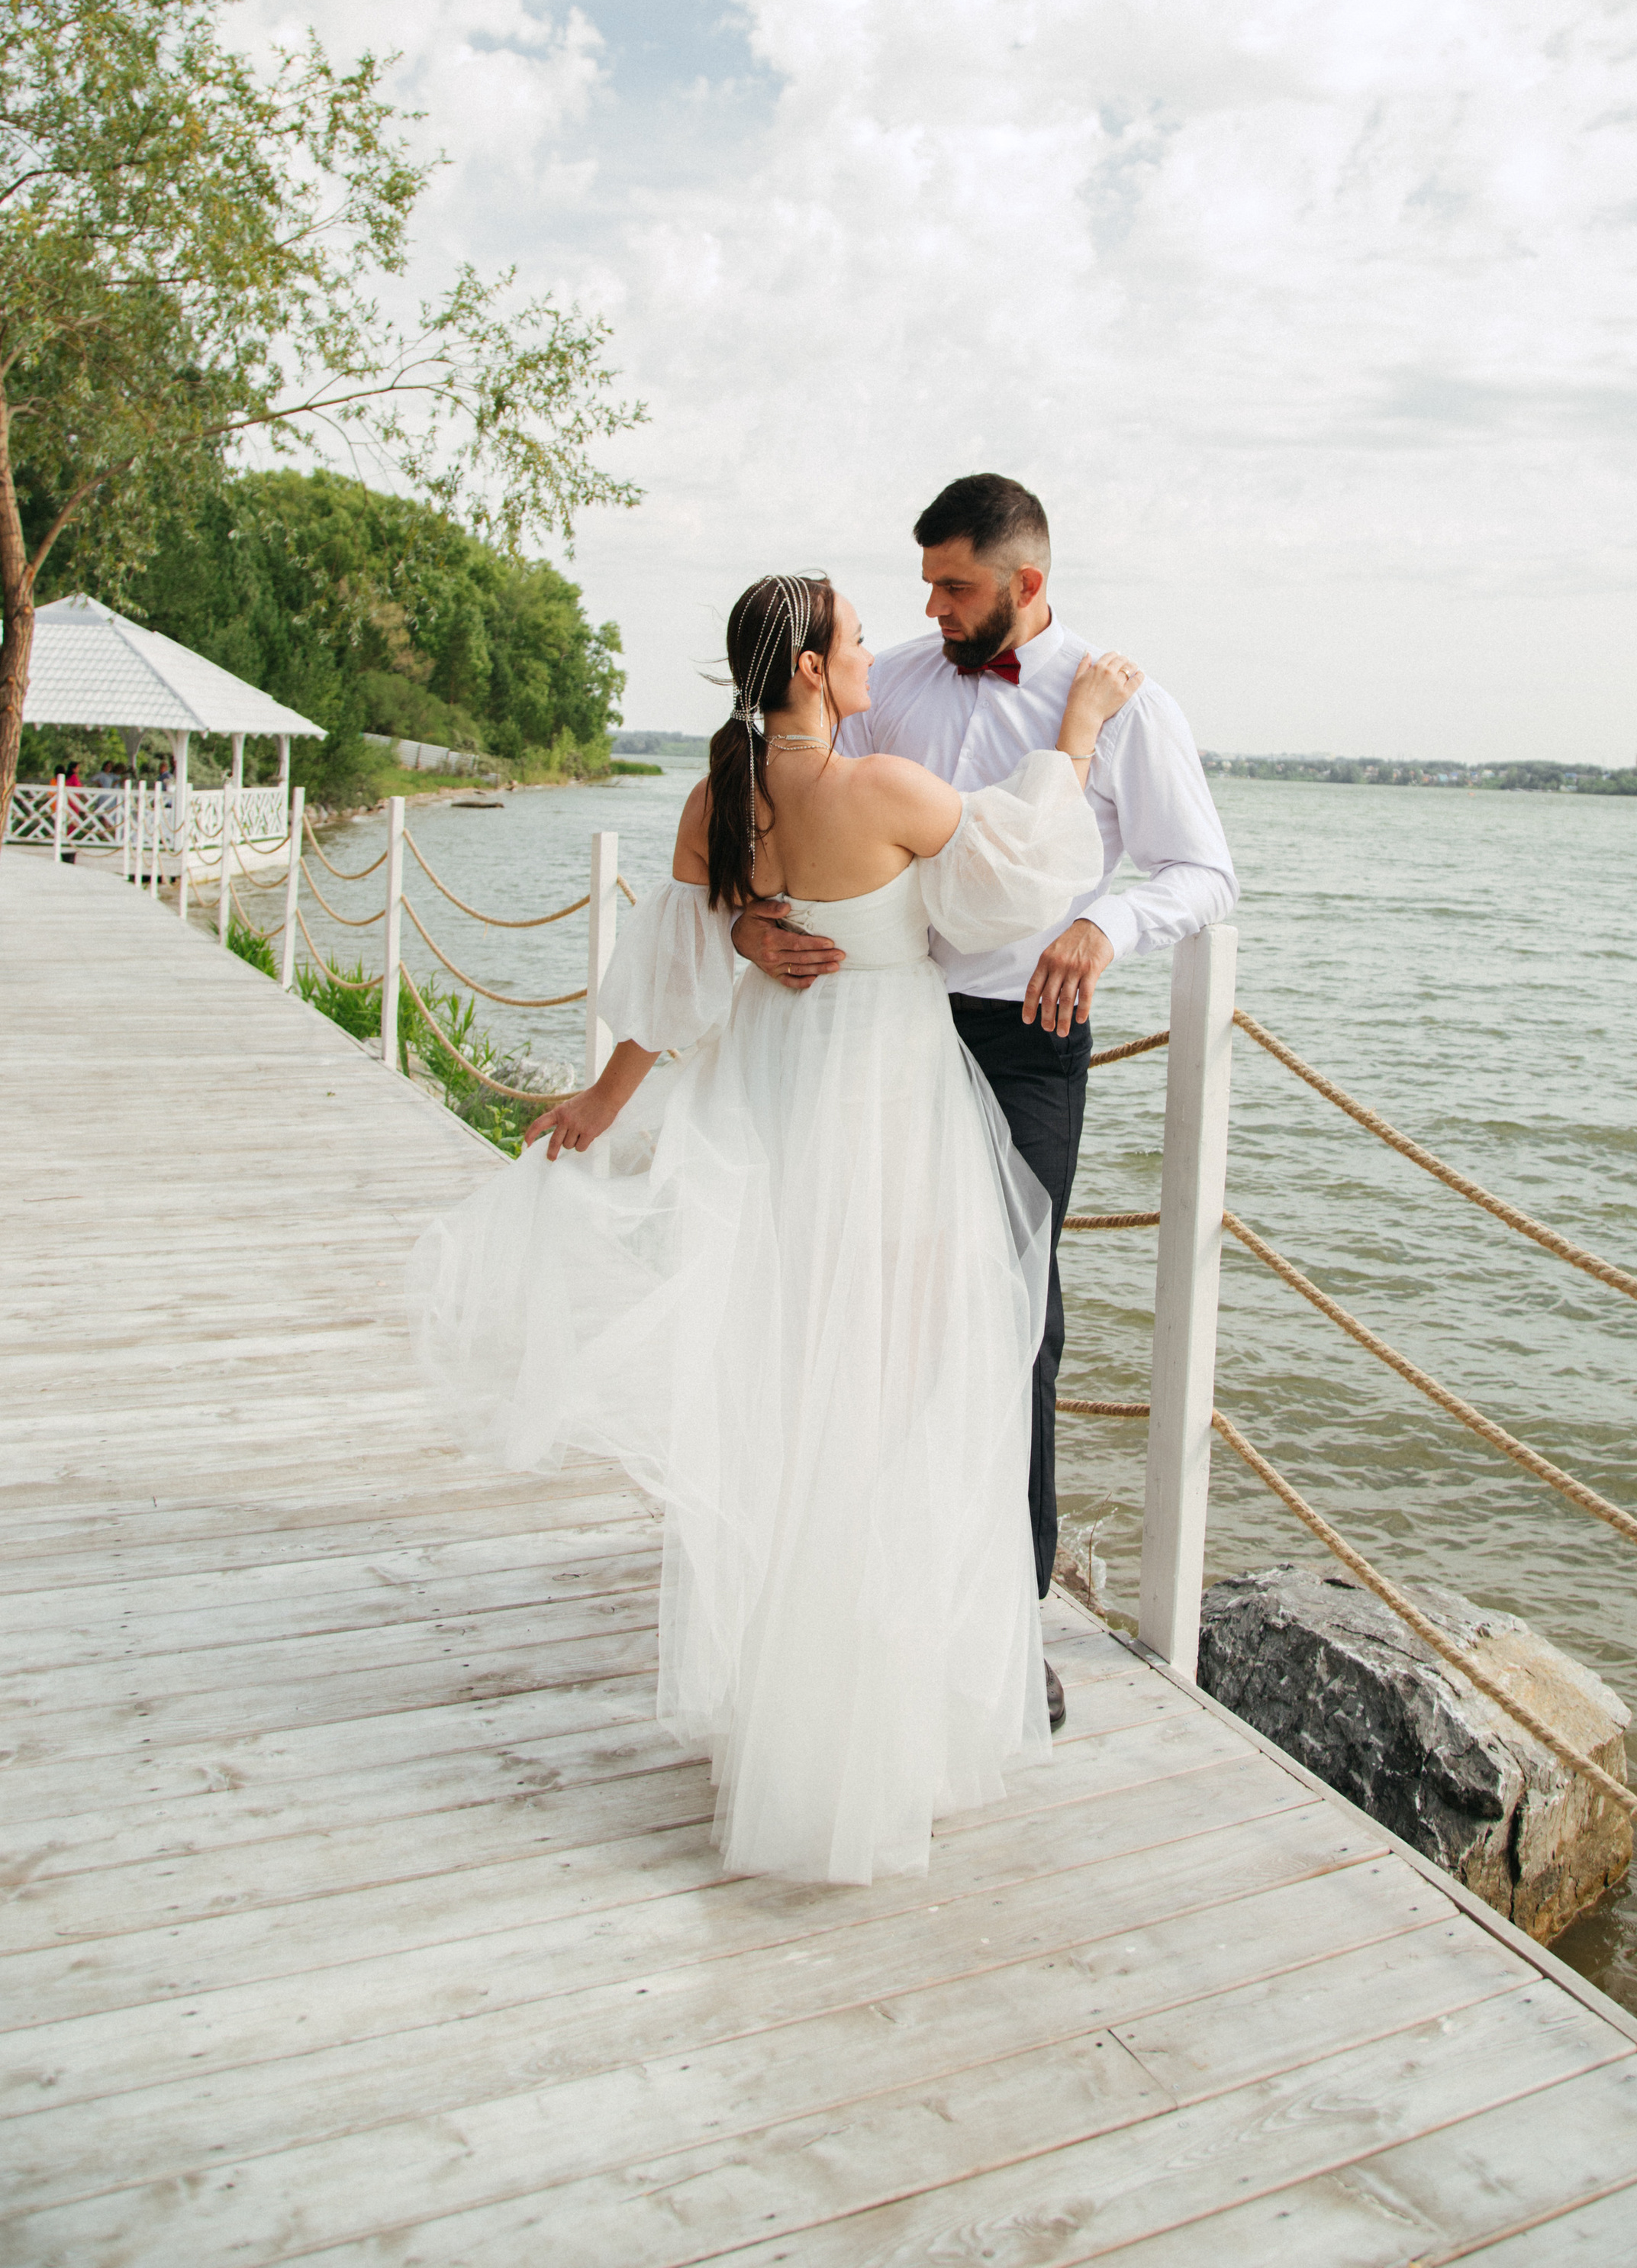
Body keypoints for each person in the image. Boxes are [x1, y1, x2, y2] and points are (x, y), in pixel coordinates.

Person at [410, 570, 1142, 1886]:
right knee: (904, 1396)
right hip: (885, 1110)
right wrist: (1078, 730)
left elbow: (670, 988)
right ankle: (869, 1728)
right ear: (810, 669)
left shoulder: (718, 805)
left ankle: (784, 1712)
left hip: (771, 1105)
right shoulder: (884, 794)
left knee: (791, 1394)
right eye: (859, 639)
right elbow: (1023, 866)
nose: (877, 651)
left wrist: (601, 1097)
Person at [731, 476, 1237, 1730]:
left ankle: (1003, 1634)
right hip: (874, 1028)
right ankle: (857, 1601)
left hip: (1023, 1042)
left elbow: (1203, 871)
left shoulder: (1127, 703)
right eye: (924, 587)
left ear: (1026, 581)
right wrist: (749, 923)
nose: (932, 608)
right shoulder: (888, 683)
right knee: (863, 1317)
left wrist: (1104, 927)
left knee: (1010, 1325)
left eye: (954, 586)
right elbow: (781, 815)